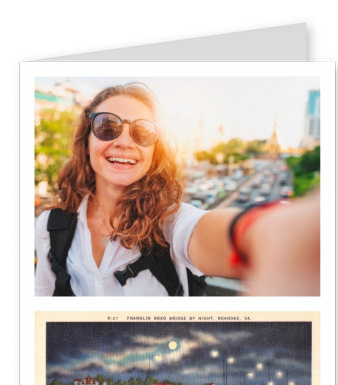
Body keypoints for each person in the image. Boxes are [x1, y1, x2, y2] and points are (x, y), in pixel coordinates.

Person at [35, 82, 320, 296]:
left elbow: (203, 232)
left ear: (154, 151)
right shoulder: (51, 226)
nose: (124, 142)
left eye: (142, 131)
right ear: (86, 140)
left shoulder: (169, 222)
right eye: (107, 126)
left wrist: (269, 233)